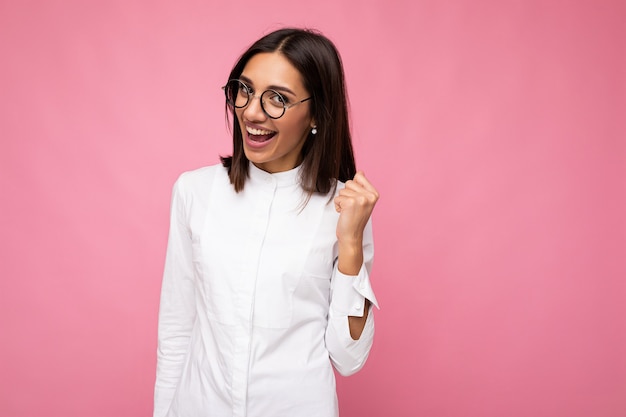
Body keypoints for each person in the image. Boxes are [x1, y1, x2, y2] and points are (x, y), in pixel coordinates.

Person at [154, 27, 380, 417]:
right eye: (244, 89)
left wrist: (352, 246)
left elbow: (348, 357)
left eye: (279, 98)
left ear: (316, 115)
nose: (253, 112)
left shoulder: (344, 208)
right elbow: (177, 330)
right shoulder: (194, 191)